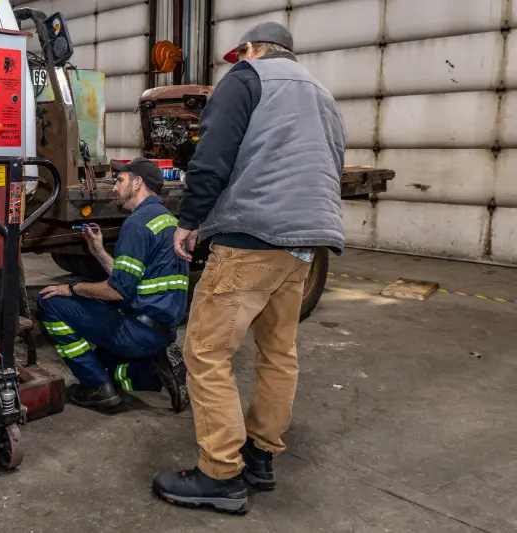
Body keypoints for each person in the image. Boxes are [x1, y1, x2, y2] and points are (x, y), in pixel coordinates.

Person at [152, 22, 346, 514]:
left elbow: (213, 156)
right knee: (278, 351)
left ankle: (220, 474)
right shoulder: (322, 92)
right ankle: (261, 455)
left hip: (253, 234)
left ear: (252, 50)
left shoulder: (245, 78)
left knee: (204, 351)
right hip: (307, 239)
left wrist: (189, 219)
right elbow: (333, 159)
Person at [38, 158, 190, 412]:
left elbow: (116, 290)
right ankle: (152, 370)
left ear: (138, 182)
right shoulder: (165, 218)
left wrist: (72, 288)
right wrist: (98, 251)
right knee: (102, 362)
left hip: (137, 330)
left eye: (120, 180)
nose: (114, 187)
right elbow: (126, 279)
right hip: (161, 330)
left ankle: (97, 387)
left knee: (50, 302)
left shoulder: (137, 224)